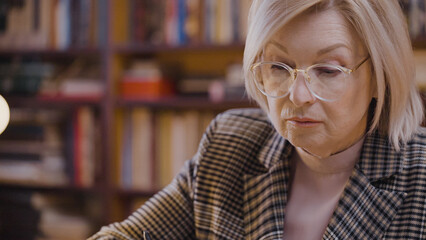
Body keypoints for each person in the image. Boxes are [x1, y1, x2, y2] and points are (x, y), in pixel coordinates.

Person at [89, 0, 426, 239]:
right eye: (279, 67)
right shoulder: (229, 143)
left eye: (328, 70)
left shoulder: (419, 179)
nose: (299, 96)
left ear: (380, 75)